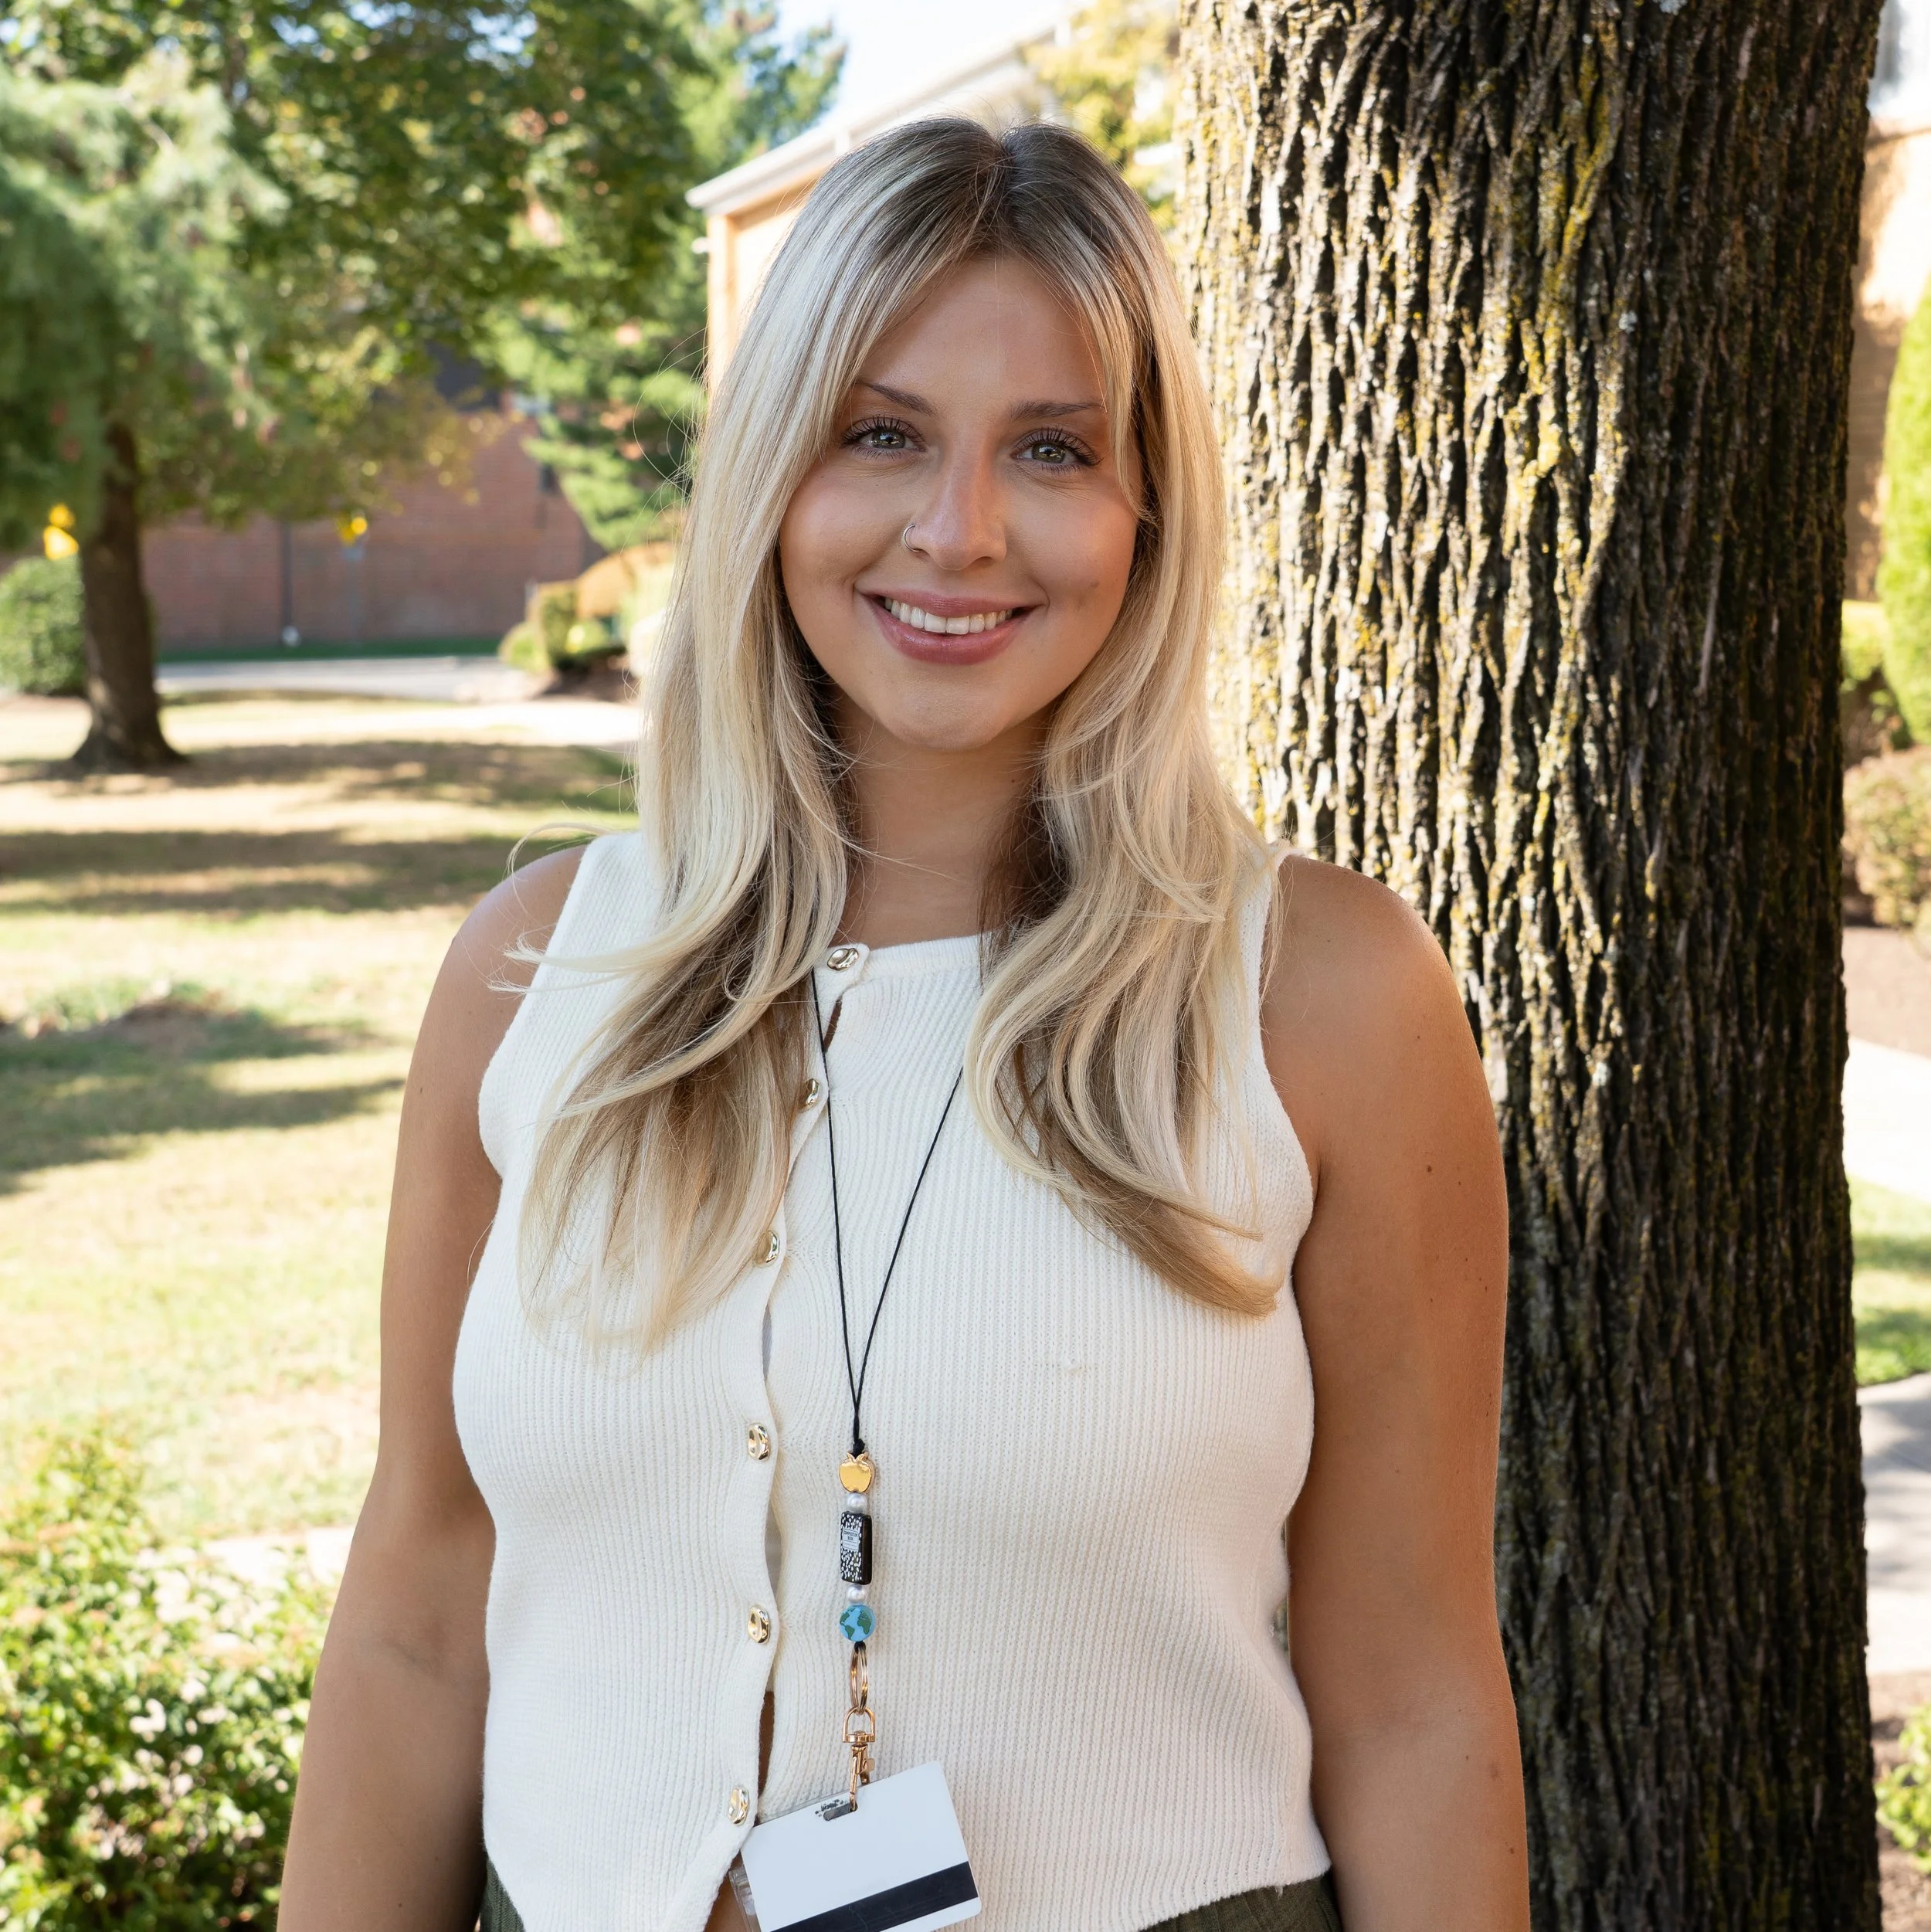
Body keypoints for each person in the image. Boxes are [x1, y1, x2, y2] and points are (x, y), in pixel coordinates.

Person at [279, 118, 1528, 1932]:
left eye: (1050, 448)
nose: (959, 530)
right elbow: (413, 1615)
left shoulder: (1319, 994)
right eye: (879, 435)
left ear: (1144, 508)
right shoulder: (530, 977)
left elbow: (1411, 1695)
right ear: (771, 474)